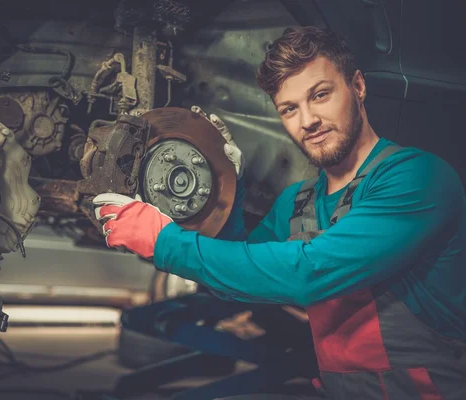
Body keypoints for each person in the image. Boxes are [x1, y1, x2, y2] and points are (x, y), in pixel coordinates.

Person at [93, 26, 466, 399]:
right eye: (290, 109)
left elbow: (308, 273)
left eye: (320, 95)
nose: (308, 121)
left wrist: (165, 242)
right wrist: (229, 196)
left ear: (358, 86)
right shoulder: (296, 202)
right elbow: (241, 289)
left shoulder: (416, 179)